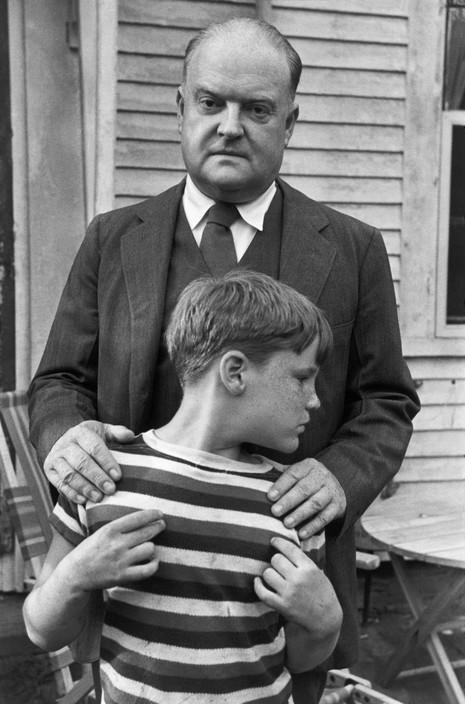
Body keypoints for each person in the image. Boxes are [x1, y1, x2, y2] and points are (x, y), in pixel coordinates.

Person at [27, 17, 420, 703]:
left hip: (281, 604)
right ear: (181, 107)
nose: (230, 126)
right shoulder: (113, 239)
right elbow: (60, 380)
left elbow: (386, 401)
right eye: (211, 102)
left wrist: (338, 475)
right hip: (131, 607)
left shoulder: (352, 249)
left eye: (257, 109)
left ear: (289, 123)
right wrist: (67, 439)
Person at [24, 271, 343, 704]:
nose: (315, 400)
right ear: (235, 372)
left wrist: (326, 623)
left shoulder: (292, 502)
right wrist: (75, 577)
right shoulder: (104, 476)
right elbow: (41, 630)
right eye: (302, 378)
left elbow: (299, 659)